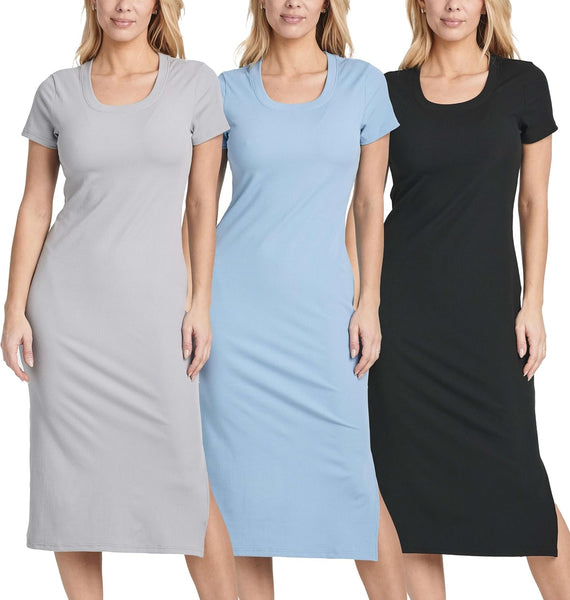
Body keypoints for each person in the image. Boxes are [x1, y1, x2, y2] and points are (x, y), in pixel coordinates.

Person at [1, 1, 237, 598]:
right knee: (71, 488)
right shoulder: (57, 91)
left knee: (185, 478)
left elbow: (202, 204)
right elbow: (35, 204)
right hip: (66, 318)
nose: (124, 4)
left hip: (158, 314)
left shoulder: (195, 84)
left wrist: (200, 303)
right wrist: (13, 309)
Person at [195, 0, 406, 598]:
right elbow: (200, 207)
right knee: (241, 494)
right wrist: (196, 303)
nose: (292, 3)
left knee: (355, 483)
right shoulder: (227, 90)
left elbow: (370, 204)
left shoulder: (362, 84)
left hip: (323, 315)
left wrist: (369, 303)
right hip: (235, 319)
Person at [362, 0, 570, 597]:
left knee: (524, 490)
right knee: (411, 499)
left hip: (489, 317)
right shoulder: (389, 92)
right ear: (419, 5)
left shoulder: (523, 84)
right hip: (404, 322)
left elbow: (534, 202)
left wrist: (533, 303)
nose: (452, 4)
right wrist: (365, 304)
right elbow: (367, 206)